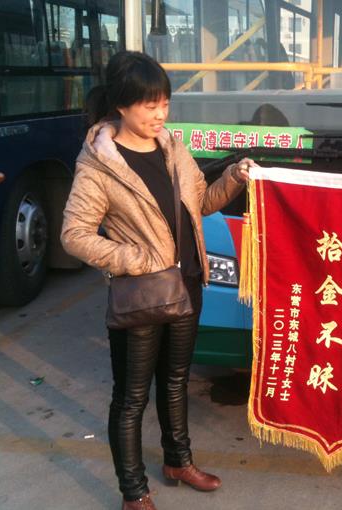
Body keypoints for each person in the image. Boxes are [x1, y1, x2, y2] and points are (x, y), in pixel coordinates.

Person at [61, 51, 257, 510]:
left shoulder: (172, 148)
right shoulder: (99, 163)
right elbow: (74, 234)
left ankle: (178, 461)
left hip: (187, 284)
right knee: (131, 398)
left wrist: (234, 177)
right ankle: (133, 492)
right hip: (142, 293)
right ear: (122, 105)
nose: (160, 114)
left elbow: (201, 202)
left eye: (165, 103)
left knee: (175, 381)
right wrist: (134, 259)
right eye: (150, 105)